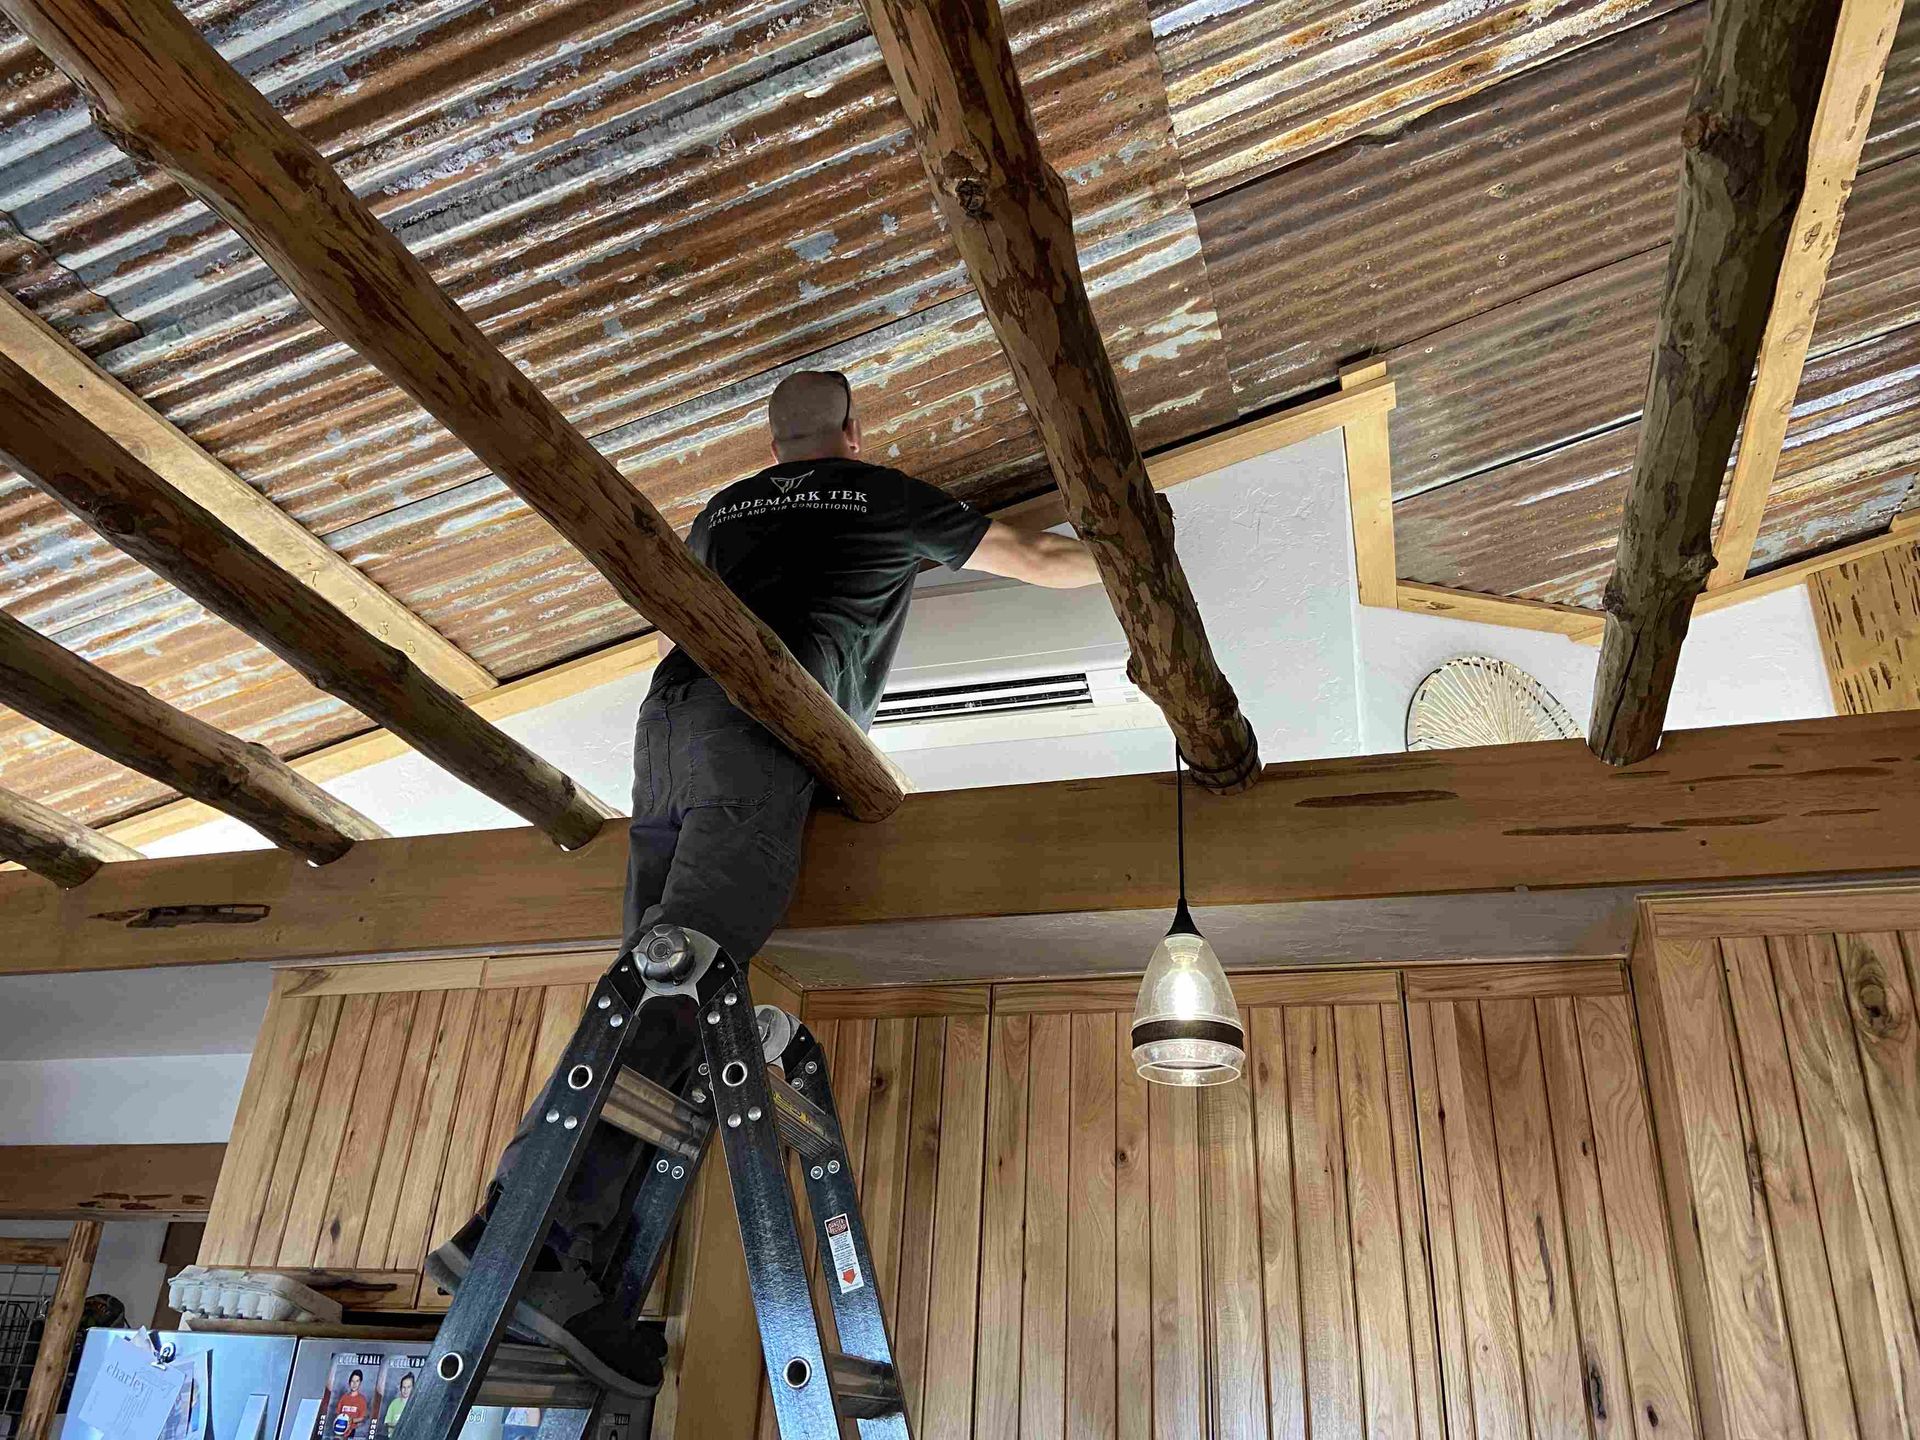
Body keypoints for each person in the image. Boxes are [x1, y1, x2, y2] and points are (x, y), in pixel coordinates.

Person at [428, 370, 1100, 1390]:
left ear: (772, 438)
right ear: (853, 430)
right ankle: (526, 1243)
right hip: (755, 724)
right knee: (685, 973)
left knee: (649, 984)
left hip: (666, 729)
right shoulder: (881, 492)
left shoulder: (723, 510)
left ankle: (573, 1267)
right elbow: (1041, 559)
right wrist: (1138, 553)